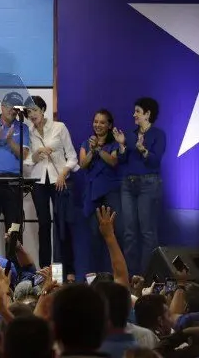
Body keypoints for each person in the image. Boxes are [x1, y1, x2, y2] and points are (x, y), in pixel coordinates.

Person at [114, 97, 166, 276]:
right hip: (128, 185)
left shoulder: (158, 134)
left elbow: (155, 160)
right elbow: (121, 161)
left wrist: (143, 149)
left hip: (149, 184)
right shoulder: (129, 134)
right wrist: (121, 146)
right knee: (129, 233)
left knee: (147, 233)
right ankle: (130, 277)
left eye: (137, 111)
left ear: (148, 114)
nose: (133, 114)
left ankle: (147, 277)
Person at [25, 95, 77, 272]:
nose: (32, 114)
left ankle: (67, 271)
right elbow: (27, 161)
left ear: (43, 109)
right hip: (39, 181)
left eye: (35, 110)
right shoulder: (29, 133)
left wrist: (63, 173)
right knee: (44, 224)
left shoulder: (59, 127)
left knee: (62, 224)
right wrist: (35, 154)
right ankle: (46, 269)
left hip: (59, 180)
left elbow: (72, 156)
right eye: (29, 111)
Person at [0, 91, 30, 254]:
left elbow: (23, 155)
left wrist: (9, 141)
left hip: (13, 181)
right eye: (9, 106)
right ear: (2, 106)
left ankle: (14, 269)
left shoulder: (23, 127)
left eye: (16, 108)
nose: (13, 110)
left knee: (14, 228)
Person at [79, 109, 123, 273]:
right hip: (92, 195)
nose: (98, 125)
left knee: (112, 235)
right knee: (94, 237)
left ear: (109, 125)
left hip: (110, 193)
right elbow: (82, 164)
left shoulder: (114, 144)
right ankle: (94, 277)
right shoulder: (86, 143)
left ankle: (114, 274)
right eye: (96, 121)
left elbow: (113, 161)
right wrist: (92, 150)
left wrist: (99, 149)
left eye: (102, 122)